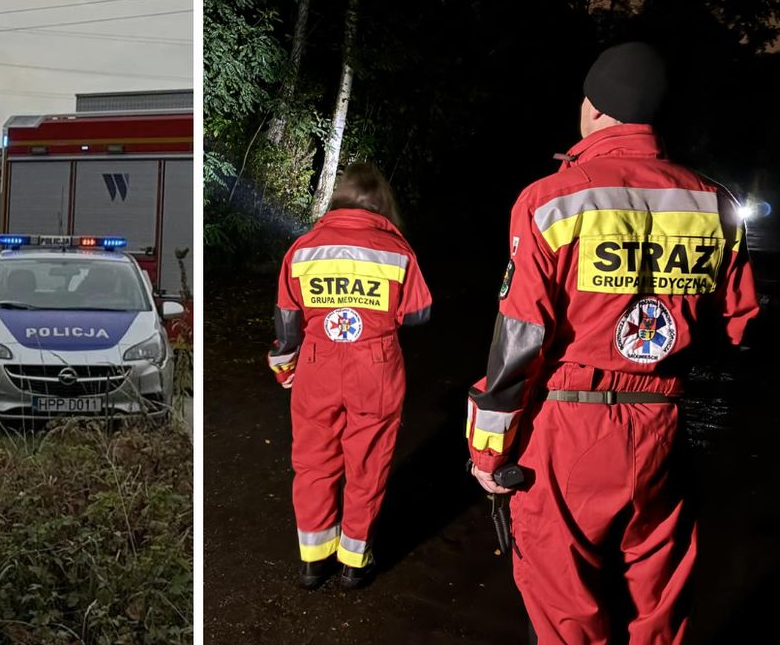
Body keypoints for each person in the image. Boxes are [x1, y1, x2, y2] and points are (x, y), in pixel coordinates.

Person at [464, 42, 759, 643]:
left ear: (595, 109)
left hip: (568, 428)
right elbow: (740, 325)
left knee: (567, 608)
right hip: (662, 431)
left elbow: (520, 341)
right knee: (660, 604)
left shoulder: (550, 200)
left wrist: (489, 452)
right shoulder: (716, 204)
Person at [267, 162, 432, 590]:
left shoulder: (303, 248)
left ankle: (313, 560)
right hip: (374, 367)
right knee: (368, 463)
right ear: (381, 206)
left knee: (313, 463)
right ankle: (355, 563)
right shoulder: (397, 252)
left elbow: (287, 323)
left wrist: (285, 365)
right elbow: (418, 314)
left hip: (318, 364)